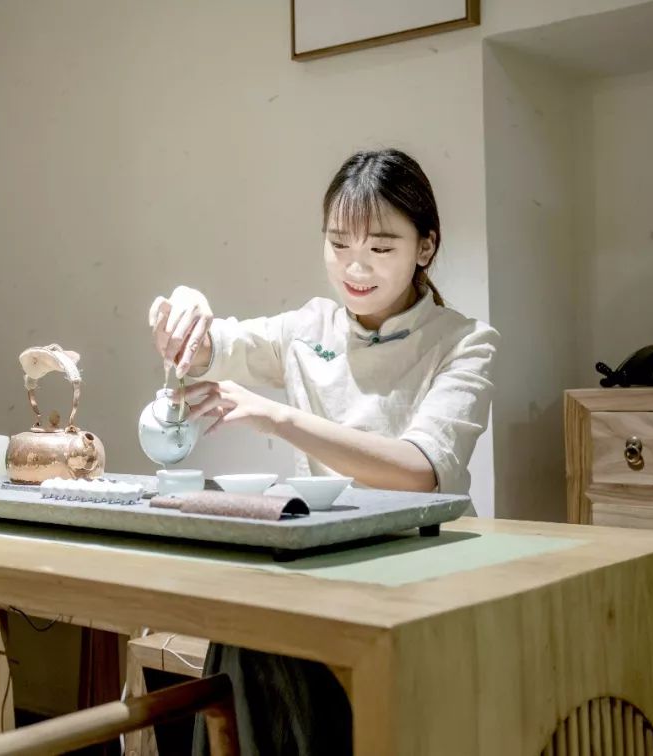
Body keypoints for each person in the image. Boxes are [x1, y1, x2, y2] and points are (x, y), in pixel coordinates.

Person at [147, 148, 501, 754]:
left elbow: (421, 471)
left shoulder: (464, 342)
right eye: (338, 245)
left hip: (419, 578)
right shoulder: (308, 329)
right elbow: (214, 347)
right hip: (322, 569)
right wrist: (187, 309)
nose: (354, 267)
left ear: (425, 247)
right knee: (244, 630)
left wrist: (278, 416)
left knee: (271, 651)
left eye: (381, 247)